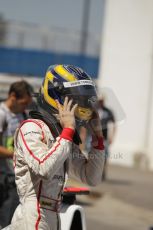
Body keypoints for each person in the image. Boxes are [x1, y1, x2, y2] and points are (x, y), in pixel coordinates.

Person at [6, 64, 105, 230]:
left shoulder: (63, 138)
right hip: (32, 216)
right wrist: (68, 131)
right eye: (76, 101)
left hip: (53, 215)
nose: (80, 107)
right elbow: (45, 169)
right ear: (56, 96)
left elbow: (91, 178)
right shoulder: (31, 128)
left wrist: (98, 140)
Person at [0, 81, 33, 228]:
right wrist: (17, 155)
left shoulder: (23, 115)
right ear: (13, 96)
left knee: (11, 221)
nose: (25, 107)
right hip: (3, 177)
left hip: (15, 177)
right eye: (24, 103)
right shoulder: (2, 114)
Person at [98, 96, 116, 180]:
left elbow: (114, 124)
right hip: (93, 138)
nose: (100, 102)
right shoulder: (94, 110)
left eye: (102, 101)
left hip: (104, 138)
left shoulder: (108, 112)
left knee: (104, 156)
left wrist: (112, 136)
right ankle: (95, 172)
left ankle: (103, 172)